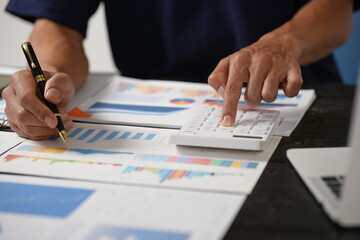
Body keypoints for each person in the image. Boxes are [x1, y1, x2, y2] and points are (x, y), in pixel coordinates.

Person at [2, 0, 356, 140]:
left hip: (295, 104)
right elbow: (58, 24)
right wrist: (49, 76)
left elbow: (335, 9)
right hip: (150, 117)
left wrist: (283, 42)